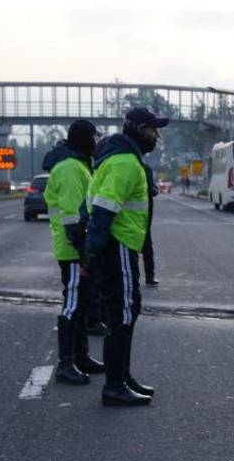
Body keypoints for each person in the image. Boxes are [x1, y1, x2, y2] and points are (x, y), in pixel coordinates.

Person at [85, 107, 167, 407]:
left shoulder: (124, 158)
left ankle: (123, 377)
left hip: (123, 245)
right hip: (117, 245)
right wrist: (92, 252)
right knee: (121, 312)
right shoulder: (124, 163)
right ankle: (114, 386)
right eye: (151, 130)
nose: (155, 136)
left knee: (129, 308)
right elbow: (105, 207)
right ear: (136, 129)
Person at [42, 119, 105, 385]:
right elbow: (71, 216)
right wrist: (83, 253)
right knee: (71, 305)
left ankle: (81, 357)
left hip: (76, 248)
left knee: (79, 306)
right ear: (83, 139)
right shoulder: (70, 168)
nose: (97, 142)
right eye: (94, 137)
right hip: (72, 250)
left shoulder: (78, 164)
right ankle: (65, 364)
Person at [141, 164, 158, 286]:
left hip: (144, 215)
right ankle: (149, 276)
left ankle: (149, 276)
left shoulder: (147, 168)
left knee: (146, 246)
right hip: (141, 216)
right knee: (147, 246)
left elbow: (154, 190)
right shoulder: (146, 168)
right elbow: (154, 190)